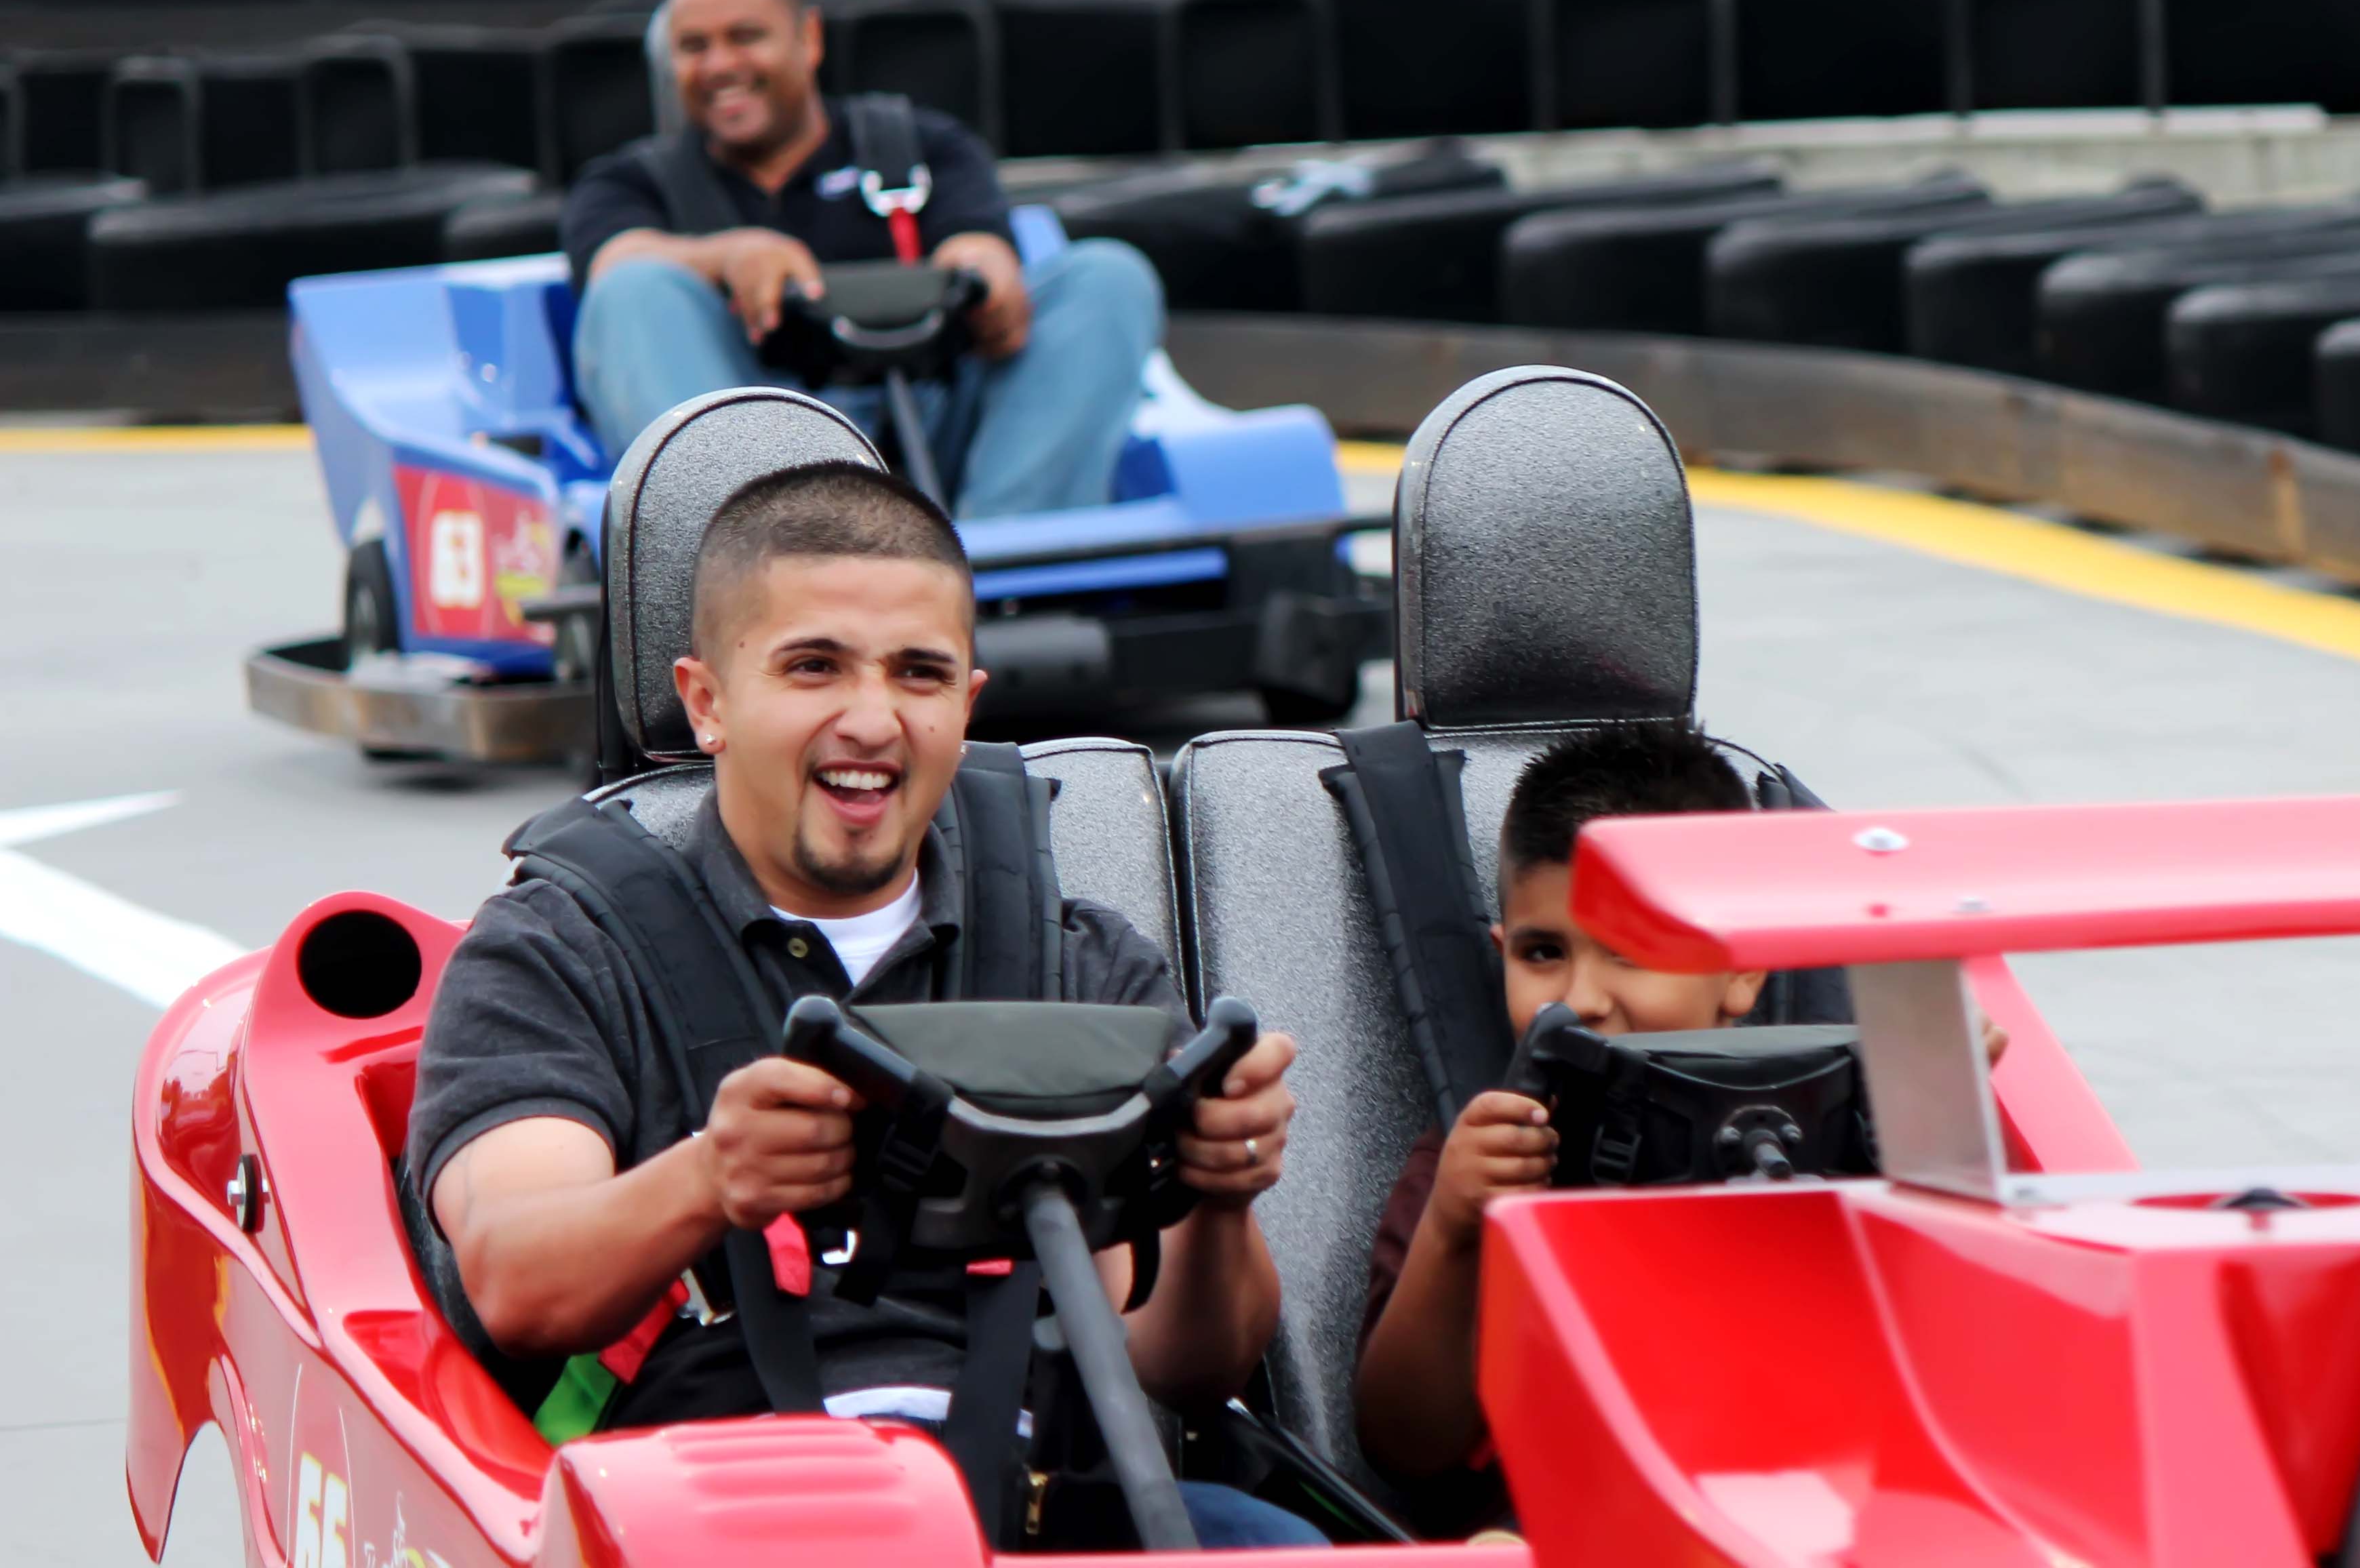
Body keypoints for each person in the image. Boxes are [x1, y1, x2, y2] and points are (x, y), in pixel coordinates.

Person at [402, 461, 1323, 1547]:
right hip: (709, 1518)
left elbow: (1182, 1361)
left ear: (966, 705)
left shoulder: (1081, 970)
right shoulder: (560, 951)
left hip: (1029, 1502)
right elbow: (515, 1277)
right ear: (708, 701)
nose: (873, 720)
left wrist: (1220, 1199)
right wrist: (709, 1180)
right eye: (814, 667)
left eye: (919, 674)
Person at [561, 0, 1164, 519]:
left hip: (937, 421)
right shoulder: (631, 182)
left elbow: (979, 239)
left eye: (746, 37)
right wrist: (729, 257)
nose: (720, 65)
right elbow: (614, 263)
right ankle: (760, 567)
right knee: (633, 290)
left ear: (809, 39)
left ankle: (1006, 560)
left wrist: (983, 273)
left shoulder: (919, 147)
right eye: (694, 47)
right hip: (756, 440)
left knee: (1109, 275)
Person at [1349, 718, 1765, 1530]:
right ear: (1500, 951)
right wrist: (1454, 1230)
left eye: (1634, 951)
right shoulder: (1479, 1160)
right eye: (1543, 954)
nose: (1579, 998)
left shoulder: (1830, 1137)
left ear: (1742, 966)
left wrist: (1937, 1121)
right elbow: (1402, 1446)